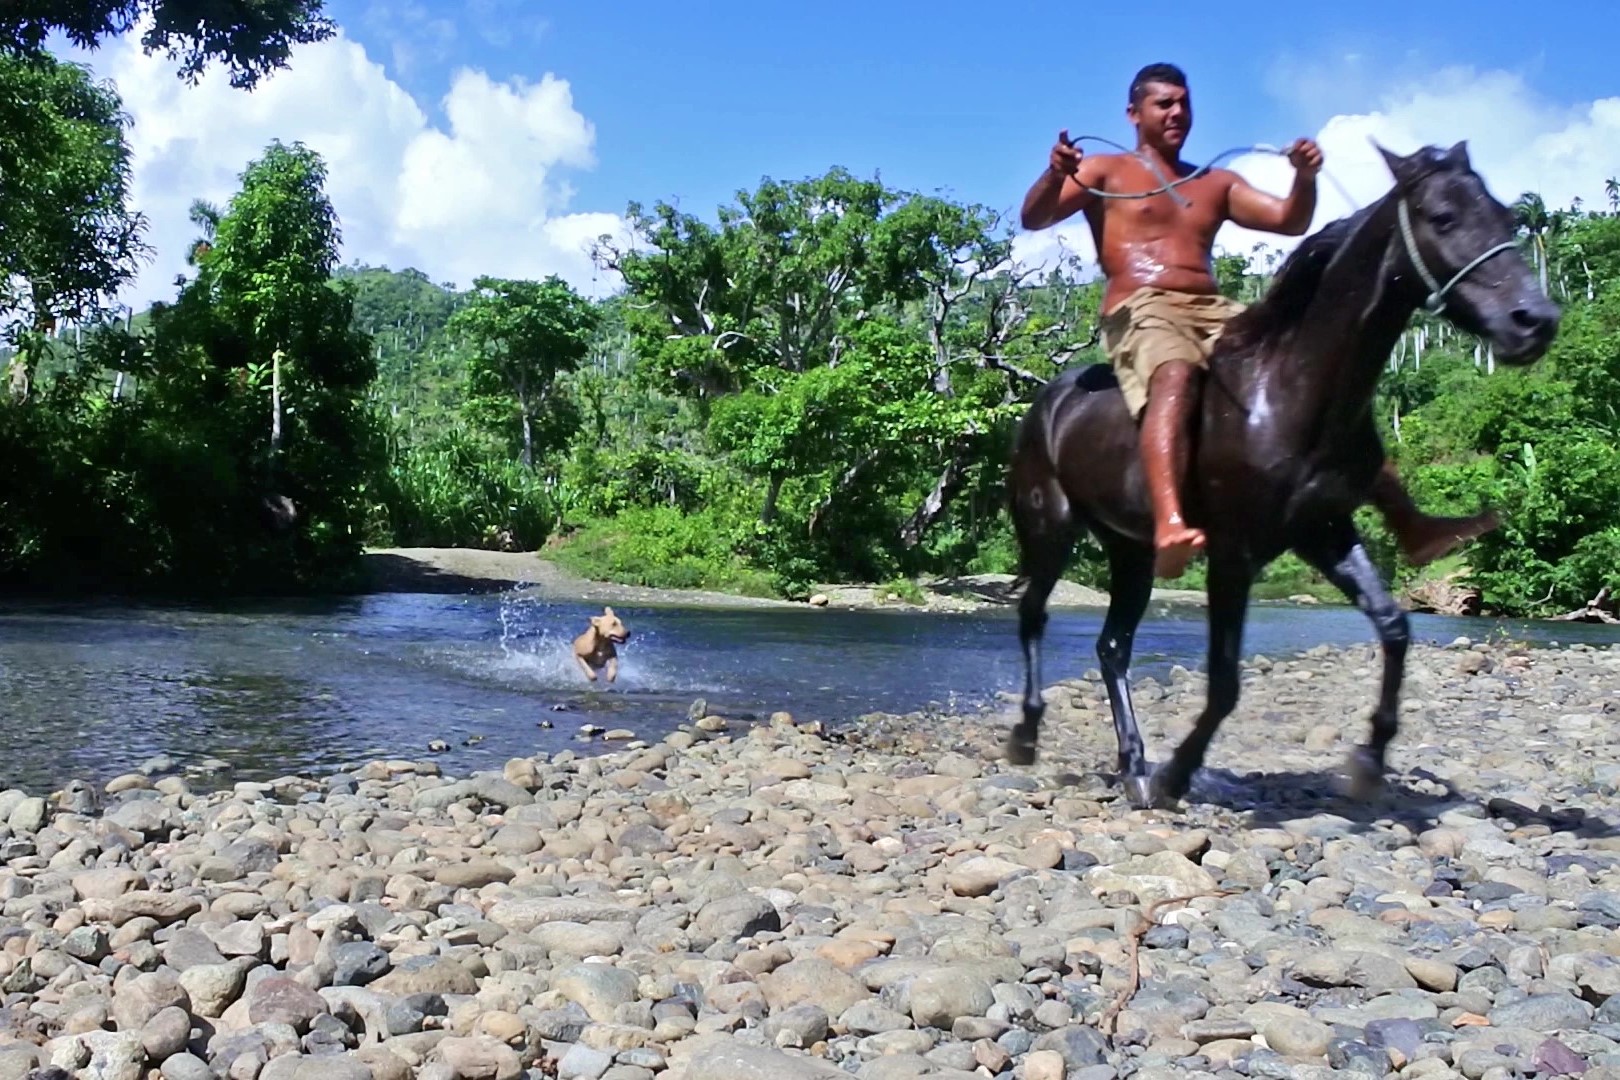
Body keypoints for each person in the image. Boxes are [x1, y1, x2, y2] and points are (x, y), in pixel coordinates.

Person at [1019, 61, 1498, 579]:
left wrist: (1304, 178)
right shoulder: (1104, 172)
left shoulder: (1214, 182)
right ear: (1134, 113)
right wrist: (1056, 173)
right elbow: (1035, 216)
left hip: (1211, 308)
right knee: (1174, 373)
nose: (1178, 112)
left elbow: (1289, 219)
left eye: (1185, 103)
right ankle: (1169, 522)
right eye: (1165, 104)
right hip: (1142, 308)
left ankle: (1408, 522)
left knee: (1310, 380)